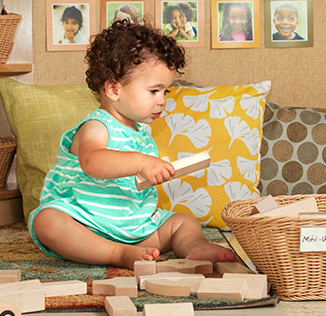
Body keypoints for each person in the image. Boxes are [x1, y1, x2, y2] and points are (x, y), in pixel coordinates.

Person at [29, 20, 237, 270]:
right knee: (47, 222)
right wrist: (141, 163)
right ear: (114, 89)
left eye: (166, 92)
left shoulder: (141, 133)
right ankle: (116, 253)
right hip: (87, 224)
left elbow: (135, 183)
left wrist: (155, 173)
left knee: (183, 222)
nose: (162, 101)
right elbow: (92, 161)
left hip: (136, 227)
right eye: (154, 91)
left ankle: (194, 246)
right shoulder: (97, 125)